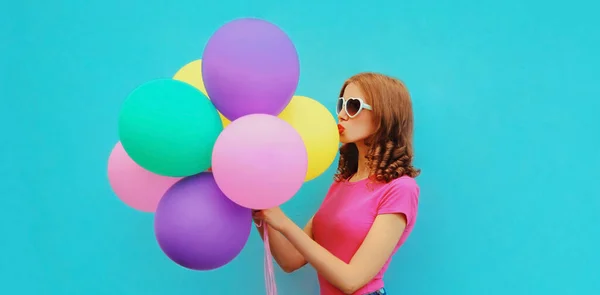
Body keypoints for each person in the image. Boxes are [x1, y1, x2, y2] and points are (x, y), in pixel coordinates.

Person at [252, 72, 421, 295]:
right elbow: (290, 260)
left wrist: (283, 222)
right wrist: (259, 210)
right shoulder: (342, 184)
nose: (341, 115)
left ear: (384, 114)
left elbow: (351, 281)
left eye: (353, 106)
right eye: (340, 105)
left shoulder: (401, 189)